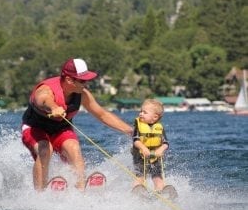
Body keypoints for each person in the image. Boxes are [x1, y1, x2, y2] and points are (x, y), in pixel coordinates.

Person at [21, 58, 133, 191]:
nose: (86, 84)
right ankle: (40, 193)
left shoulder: (82, 94)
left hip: (60, 129)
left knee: (74, 148)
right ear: (69, 80)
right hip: (35, 128)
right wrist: (53, 107)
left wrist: (131, 131)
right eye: (83, 80)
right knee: (45, 150)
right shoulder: (46, 89)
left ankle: (80, 191)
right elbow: (42, 99)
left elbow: (102, 114)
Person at [131, 99, 169, 191]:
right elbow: (136, 140)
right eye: (141, 111)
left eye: (145, 112)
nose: (141, 114)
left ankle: (160, 191)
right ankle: (137, 190)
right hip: (140, 156)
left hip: (155, 157)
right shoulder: (138, 126)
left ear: (155, 117)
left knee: (158, 177)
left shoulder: (159, 128)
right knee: (140, 177)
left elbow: (165, 143)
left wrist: (161, 150)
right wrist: (143, 148)